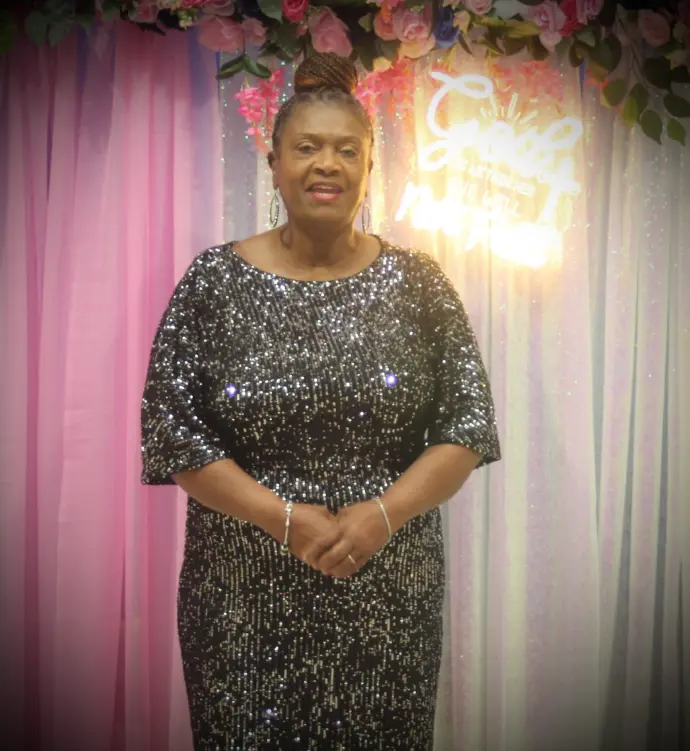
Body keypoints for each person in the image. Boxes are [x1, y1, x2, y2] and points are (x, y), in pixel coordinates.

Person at [141, 52, 500, 751]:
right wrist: (283, 519)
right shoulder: (213, 282)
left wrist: (383, 514)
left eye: (347, 150)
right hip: (240, 595)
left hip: (388, 585)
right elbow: (174, 432)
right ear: (274, 162)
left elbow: (468, 425)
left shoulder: (420, 284)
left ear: (369, 167)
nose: (327, 164)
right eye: (307, 148)